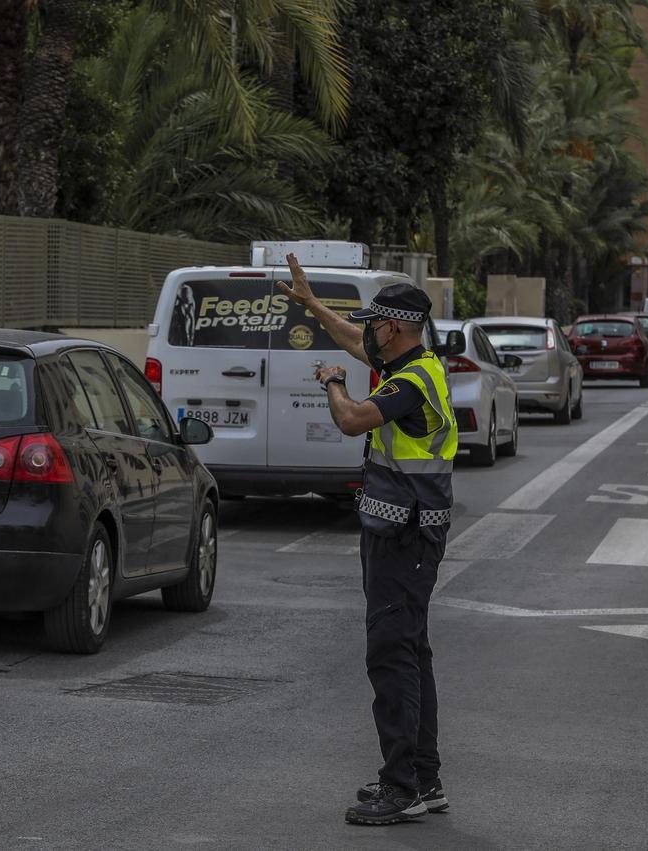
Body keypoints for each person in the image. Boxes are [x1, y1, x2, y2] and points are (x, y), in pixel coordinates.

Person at [277, 254, 458, 827]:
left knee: (392, 656)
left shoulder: (409, 383)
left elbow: (354, 419)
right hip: (405, 530)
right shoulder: (415, 363)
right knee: (412, 654)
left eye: (377, 323)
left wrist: (331, 384)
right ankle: (423, 779)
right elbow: (355, 340)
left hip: (404, 535)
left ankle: (402, 785)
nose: (370, 332)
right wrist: (311, 306)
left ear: (397, 328)